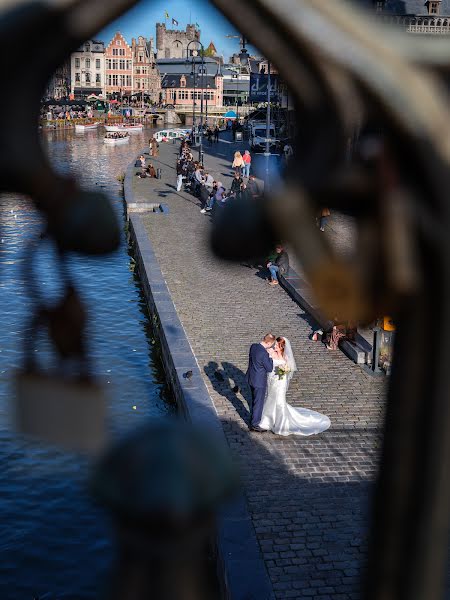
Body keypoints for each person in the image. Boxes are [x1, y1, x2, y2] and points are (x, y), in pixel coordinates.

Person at [259, 337, 331, 436]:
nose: (274, 346)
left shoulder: (286, 358)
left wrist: (284, 370)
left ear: (282, 347)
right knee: (271, 399)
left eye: (277, 345)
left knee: (280, 402)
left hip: (281, 383)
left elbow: (290, 368)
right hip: (272, 381)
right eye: (274, 344)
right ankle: (267, 421)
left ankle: (282, 426)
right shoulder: (271, 352)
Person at [246, 334, 276, 431]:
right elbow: (269, 368)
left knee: (254, 400)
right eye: (271, 344)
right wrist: (270, 356)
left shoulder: (253, 346)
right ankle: (255, 424)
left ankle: (253, 418)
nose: (271, 346)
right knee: (258, 402)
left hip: (251, 378)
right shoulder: (264, 354)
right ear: (268, 342)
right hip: (259, 382)